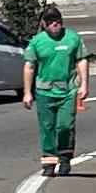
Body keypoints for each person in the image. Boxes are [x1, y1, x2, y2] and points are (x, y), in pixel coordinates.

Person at [27, 13, 88, 175]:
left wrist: (84, 84)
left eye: (58, 21)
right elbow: (29, 66)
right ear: (44, 24)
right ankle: (49, 162)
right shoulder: (37, 41)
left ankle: (65, 158)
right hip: (44, 92)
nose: (55, 24)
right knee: (47, 128)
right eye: (50, 22)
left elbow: (81, 60)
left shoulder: (72, 38)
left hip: (68, 91)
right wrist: (27, 93)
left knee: (65, 126)